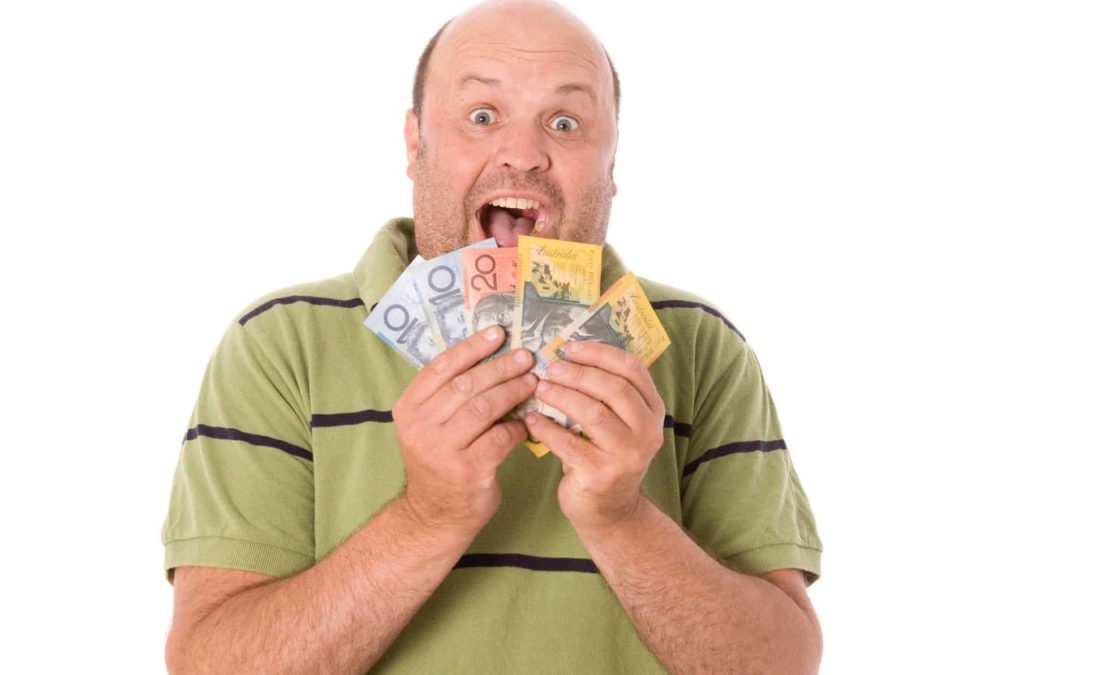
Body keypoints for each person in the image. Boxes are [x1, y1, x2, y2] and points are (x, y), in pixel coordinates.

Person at [161, 1, 823, 672]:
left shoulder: (700, 345)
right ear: (415, 144)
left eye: (565, 123)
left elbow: (780, 664)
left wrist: (621, 517)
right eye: (482, 116)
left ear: (612, 162)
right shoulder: (278, 344)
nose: (524, 154)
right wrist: (429, 515)